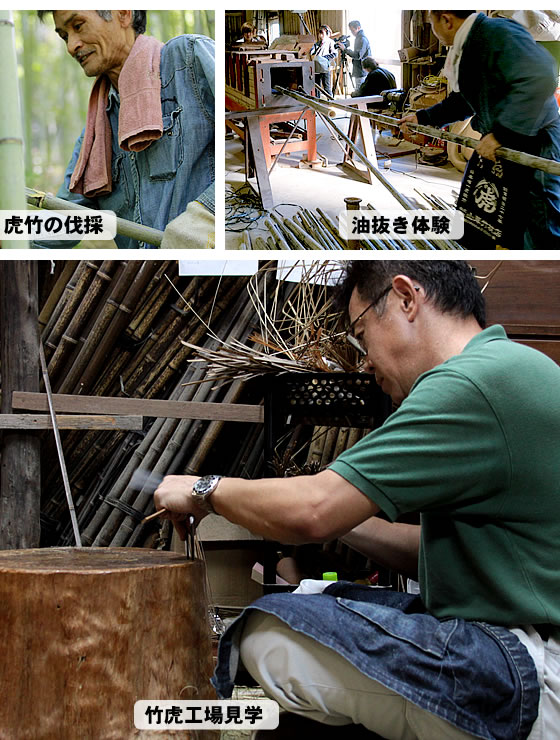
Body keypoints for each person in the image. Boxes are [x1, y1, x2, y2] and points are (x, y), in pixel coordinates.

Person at [154, 260, 560, 739]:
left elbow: (312, 511)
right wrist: (349, 513)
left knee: (271, 632)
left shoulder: (471, 383)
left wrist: (206, 490)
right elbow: (430, 553)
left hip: (528, 673)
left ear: (407, 298)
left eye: (361, 333)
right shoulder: (508, 369)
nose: (365, 362)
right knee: (315, 604)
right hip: (516, 651)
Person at [0, 10, 215, 250]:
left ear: (123, 12)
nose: (71, 46)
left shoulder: (187, 60)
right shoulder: (96, 134)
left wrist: (208, 214)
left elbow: (252, 147)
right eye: (64, 35)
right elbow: (68, 221)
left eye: (78, 26)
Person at [399, 11, 560, 249]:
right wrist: (423, 117)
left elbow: (543, 76)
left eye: (432, 23)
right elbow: (465, 99)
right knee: (483, 216)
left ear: (446, 20)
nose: (433, 30)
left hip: (535, 141)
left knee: (540, 226)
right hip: (503, 143)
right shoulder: (467, 45)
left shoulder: (497, 32)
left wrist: (504, 134)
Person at [338, 20, 371, 90]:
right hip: (360, 69)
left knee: (360, 91)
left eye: (353, 30)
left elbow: (358, 55)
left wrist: (345, 50)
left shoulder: (362, 39)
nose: (352, 33)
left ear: (358, 28)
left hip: (362, 70)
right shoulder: (359, 38)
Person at [310, 25, 336, 98]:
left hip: (325, 67)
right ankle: (317, 102)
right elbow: (312, 52)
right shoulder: (317, 43)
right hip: (317, 67)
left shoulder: (331, 42)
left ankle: (330, 102)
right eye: (319, 33)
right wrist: (312, 49)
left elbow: (334, 54)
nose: (320, 35)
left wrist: (323, 58)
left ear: (327, 33)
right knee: (317, 87)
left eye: (322, 33)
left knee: (326, 87)